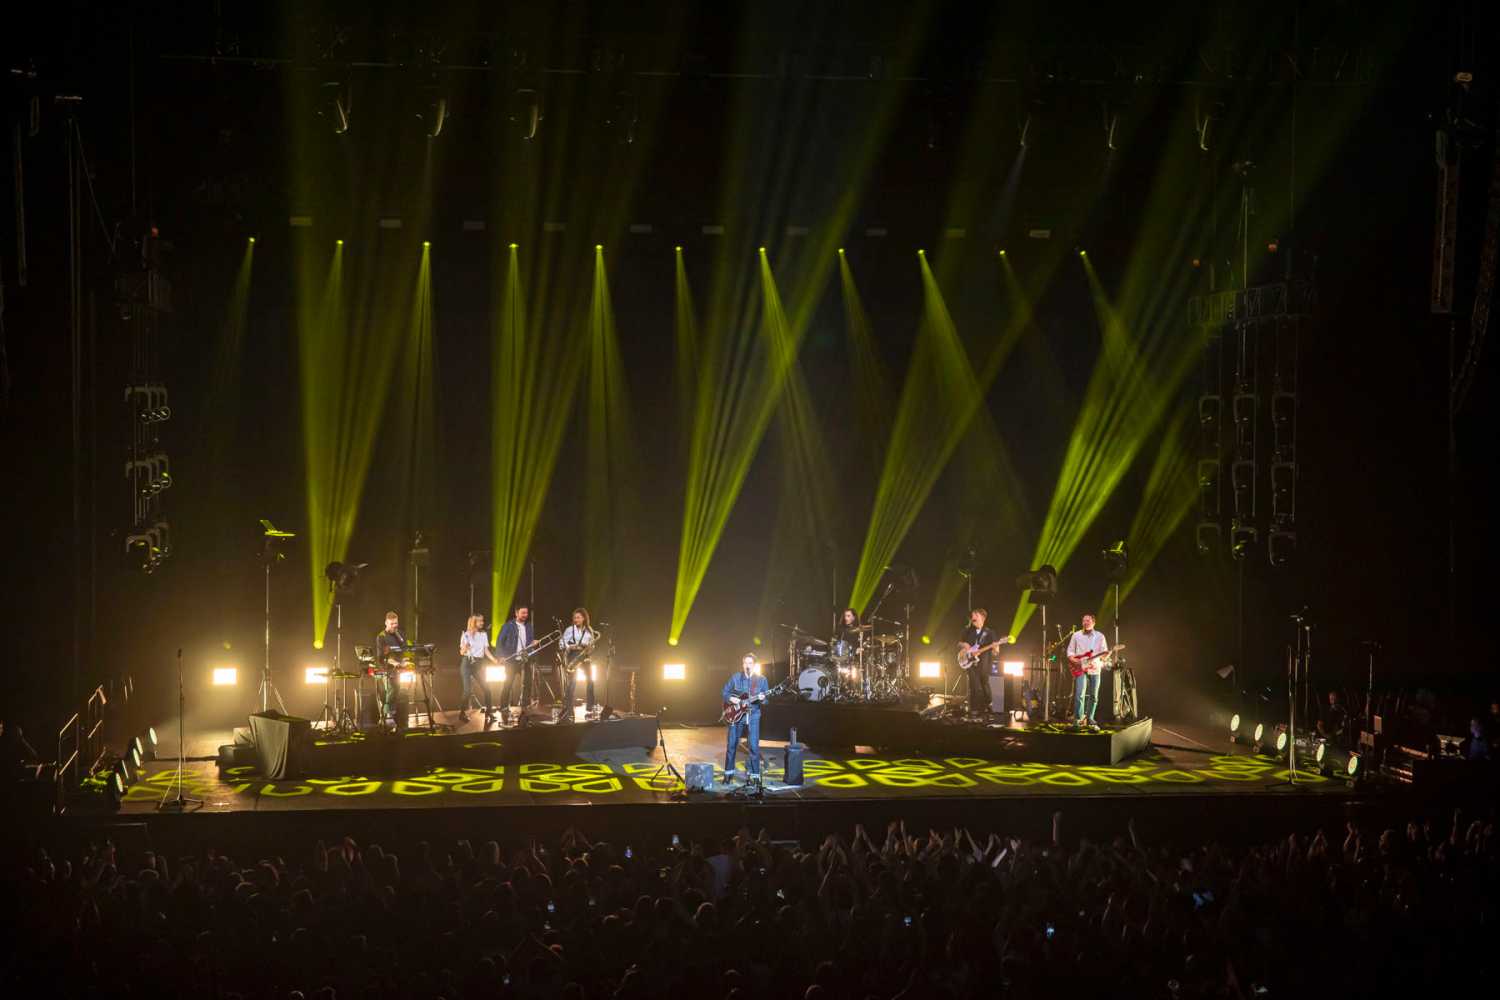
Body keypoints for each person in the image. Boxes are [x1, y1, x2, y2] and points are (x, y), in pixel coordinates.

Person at [722, 654, 769, 783]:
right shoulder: (736, 677)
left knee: (753, 745)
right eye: (745, 663)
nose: (747, 665)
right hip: (736, 715)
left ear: (754, 665)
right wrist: (731, 698)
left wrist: (763, 699)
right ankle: (728, 773)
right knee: (732, 744)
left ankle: (754, 775)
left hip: (753, 714)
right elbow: (724, 692)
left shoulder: (761, 680)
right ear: (742, 664)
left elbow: (766, 701)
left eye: (749, 663)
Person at [956, 608, 1005, 719]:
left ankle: (989, 703)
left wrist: (996, 650)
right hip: (969, 662)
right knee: (974, 686)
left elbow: (996, 648)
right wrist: (965, 645)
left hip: (984, 661)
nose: (973, 617)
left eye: (975, 615)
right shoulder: (967, 631)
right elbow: (958, 643)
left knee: (984, 683)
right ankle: (974, 709)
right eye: (972, 616)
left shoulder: (990, 632)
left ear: (982, 618)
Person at [1065, 613, 1109, 731]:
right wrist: (1076, 662)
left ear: (1093, 623)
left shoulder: (1100, 636)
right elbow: (1070, 652)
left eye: (1088, 621)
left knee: (1094, 695)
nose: (1085, 622)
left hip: (1095, 668)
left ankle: (1090, 718)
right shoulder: (1076, 635)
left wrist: (1105, 656)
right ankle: (1078, 720)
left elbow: (1104, 654)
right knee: (1080, 694)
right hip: (1080, 668)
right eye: (1084, 620)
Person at [496, 606, 536, 724]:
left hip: (525, 659)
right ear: (516, 613)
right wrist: (501, 656)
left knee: (527, 683)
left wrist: (533, 643)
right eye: (523, 613)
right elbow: (499, 641)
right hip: (512, 660)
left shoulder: (528, 626)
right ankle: (503, 706)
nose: (525, 615)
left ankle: (525, 706)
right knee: (508, 683)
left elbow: (530, 641)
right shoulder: (508, 626)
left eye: (526, 613)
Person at [458, 614, 499, 726]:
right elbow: (461, 652)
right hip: (467, 664)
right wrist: (465, 648)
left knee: (487, 689)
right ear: (474, 622)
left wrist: (494, 660)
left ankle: (489, 712)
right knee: (467, 691)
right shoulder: (465, 635)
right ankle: (462, 713)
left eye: (482, 621)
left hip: (478, 665)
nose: (482, 623)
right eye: (480, 621)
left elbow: (486, 651)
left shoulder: (483, 635)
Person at [558, 608, 598, 723]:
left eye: (578, 617)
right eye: (574, 617)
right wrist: (570, 646)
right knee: (572, 683)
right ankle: (568, 709)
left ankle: (590, 707)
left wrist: (589, 648)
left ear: (584, 618)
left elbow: (592, 646)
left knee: (590, 681)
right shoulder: (570, 629)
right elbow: (561, 642)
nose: (576, 620)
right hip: (573, 655)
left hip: (584, 656)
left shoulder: (589, 630)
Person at [374, 611, 407, 729]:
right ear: (386, 623)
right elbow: (381, 658)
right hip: (385, 668)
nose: (394, 626)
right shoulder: (381, 637)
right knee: (392, 688)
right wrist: (395, 663)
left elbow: (404, 650)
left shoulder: (400, 635)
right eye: (392, 624)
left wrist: (405, 661)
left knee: (396, 689)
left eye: (396, 623)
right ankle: (388, 715)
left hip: (397, 668)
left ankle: (388, 715)